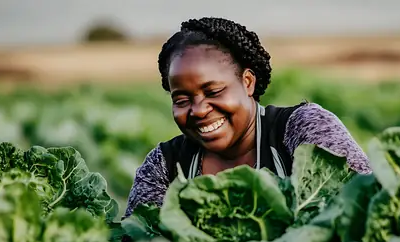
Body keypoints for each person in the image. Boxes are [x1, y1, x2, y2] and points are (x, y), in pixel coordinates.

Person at [124, 17, 371, 218]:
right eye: (182, 100)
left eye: (213, 91)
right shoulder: (164, 166)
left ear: (248, 82)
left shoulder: (304, 128)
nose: (198, 110)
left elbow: (365, 210)